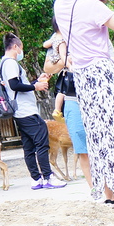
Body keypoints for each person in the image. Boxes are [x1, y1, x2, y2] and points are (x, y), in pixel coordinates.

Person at [54, 0, 114, 206]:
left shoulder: (60, 4)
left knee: (96, 137)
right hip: (102, 74)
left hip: (82, 78)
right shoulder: (92, 6)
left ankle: (109, 196)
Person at [0, 33, 66, 190]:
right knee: (42, 143)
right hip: (26, 111)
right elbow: (14, 85)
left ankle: (36, 179)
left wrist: (37, 81)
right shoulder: (10, 63)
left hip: (21, 111)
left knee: (29, 147)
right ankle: (48, 177)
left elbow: (17, 86)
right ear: (15, 47)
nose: (21, 51)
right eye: (21, 47)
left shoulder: (4, 63)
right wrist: (35, 87)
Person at [44, 17, 93, 190]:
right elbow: (48, 67)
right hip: (72, 94)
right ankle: (94, 188)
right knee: (81, 146)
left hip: (93, 94)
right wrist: (66, 61)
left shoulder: (92, 34)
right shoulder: (61, 39)